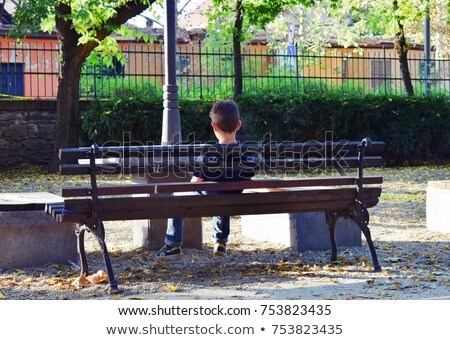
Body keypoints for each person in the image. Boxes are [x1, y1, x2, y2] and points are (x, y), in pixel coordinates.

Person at [155, 99, 254, 259]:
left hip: (207, 198)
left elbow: (195, 183)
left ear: (214, 127)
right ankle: (220, 242)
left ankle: (173, 244)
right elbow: (248, 175)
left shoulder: (209, 153)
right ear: (238, 125)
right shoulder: (247, 152)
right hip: (233, 199)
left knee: (178, 197)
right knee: (223, 196)